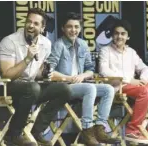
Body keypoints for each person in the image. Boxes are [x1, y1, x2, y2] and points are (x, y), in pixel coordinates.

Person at [0, 8, 71, 146]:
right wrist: (27, 59)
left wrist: (45, 73)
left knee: (64, 90)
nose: (31, 25)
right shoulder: (9, 41)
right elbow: (6, 75)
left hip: (30, 88)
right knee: (32, 88)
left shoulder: (46, 43)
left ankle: (36, 130)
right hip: (3, 87)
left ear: (42, 28)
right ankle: (14, 134)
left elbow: (38, 72)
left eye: (35, 23)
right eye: (29, 21)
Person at [47, 12, 121, 146]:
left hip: (81, 84)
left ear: (80, 29)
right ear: (63, 28)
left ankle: (100, 128)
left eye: (76, 27)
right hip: (64, 86)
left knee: (108, 89)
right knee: (90, 88)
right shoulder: (59, 45)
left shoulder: (83, 44)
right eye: (69, 27)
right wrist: (68, 78)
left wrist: (82, 76)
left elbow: (90, 69)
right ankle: (87, 130)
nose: (73, 30)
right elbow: (49, 71)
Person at [99, 19, 148, 143]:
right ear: (112, 35)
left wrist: (144, 79)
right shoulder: (105, 51)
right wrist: (130, 80)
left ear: (128, 37)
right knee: (145, 91)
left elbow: (144, 68)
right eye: (116, 33)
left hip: (136, 87)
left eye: (123, 34)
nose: (119, 36)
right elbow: (104, 71)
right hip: (118, 87)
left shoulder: (131, 52)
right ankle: (132, 131)